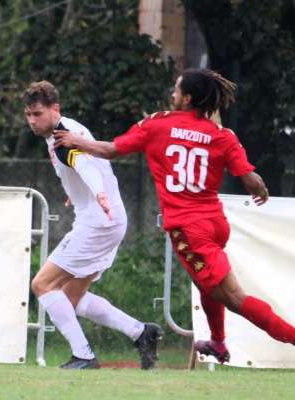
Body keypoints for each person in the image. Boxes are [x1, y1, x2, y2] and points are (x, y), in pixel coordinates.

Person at [54, 68, 295, 363]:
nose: (172, 94)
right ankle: (218, 343)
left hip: (189, 229)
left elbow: (112, 150)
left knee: (234, 298)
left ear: (187, 98)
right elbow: (251, 180)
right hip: (216, 224)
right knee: (207, 284)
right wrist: (261, 189)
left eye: (176, 90)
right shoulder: (223, 135)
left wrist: (78, 141)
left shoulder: (158, 124)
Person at [23, 81, 162, 370]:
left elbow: (84, 165)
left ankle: (84, 356)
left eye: (37, 114)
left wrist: (97, 192)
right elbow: (83, 166)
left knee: (42, 284)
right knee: (72, 297)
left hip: (98, 221)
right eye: (28, 115)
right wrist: (76, 192)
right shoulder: (68, 129)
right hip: (108, 219)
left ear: (54, 109)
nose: (32, 121)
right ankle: (141, 332)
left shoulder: (64, 138)